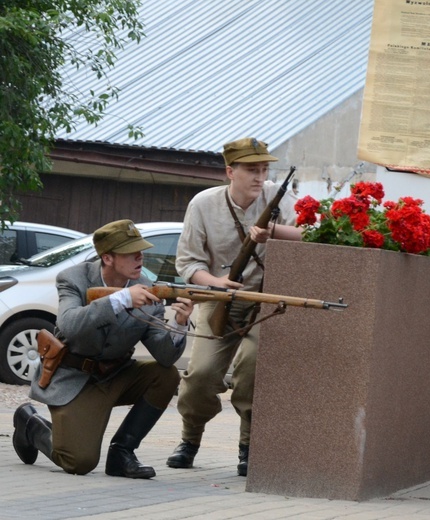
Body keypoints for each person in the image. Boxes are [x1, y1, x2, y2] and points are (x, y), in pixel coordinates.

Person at [12, 219, 194, 479]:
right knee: (78, 462)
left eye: (141, 250)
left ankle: (122, 453)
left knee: (165, 375)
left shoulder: (146, 287)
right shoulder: (74, 278)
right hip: (74, 380)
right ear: (107, 257)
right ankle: (31, 425)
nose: (140, 256)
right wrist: (120, 300)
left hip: (116, 375)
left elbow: (165, 356)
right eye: (132, 251)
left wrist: (179, 322)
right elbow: (69, 326)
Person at [167, 137, 302, 476]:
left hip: (267, 301)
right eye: (252, 170)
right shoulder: (203, 204)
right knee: (200, 376)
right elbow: (188, 263)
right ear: (230, 171)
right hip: (220, 299)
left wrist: (273, 231)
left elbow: (312, 234)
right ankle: (189, 440)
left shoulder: (279, 199)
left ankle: (248, 448)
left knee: (251, 372)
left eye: (264, 170)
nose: (260, 177)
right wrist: (217, 283)